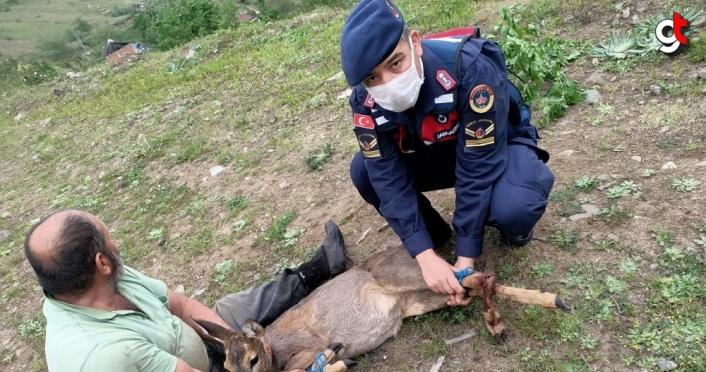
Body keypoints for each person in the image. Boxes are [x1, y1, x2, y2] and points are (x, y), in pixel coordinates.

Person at [339, 0, 554, 306]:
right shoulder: (365, 101)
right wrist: (425, 256)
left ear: (415, 43)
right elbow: (386, 177)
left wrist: (466, 259)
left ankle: (513, 229)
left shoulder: (470, 68)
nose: (388, 82)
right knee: (364, 171)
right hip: (435, 150)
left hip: (495, 146)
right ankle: (434, 238)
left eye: (396, 62)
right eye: (372, 78)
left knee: (515, 206)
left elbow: (477, 166)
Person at [23, 208, 348, 372]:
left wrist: (236, 340)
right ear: (101, 262)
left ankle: (316, 270)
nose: (117, 245)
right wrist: (242, 359)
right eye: (111, 239)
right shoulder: (102, 354)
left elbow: (179, 305)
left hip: (185, 343)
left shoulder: (95, 278)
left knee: (236, 310)